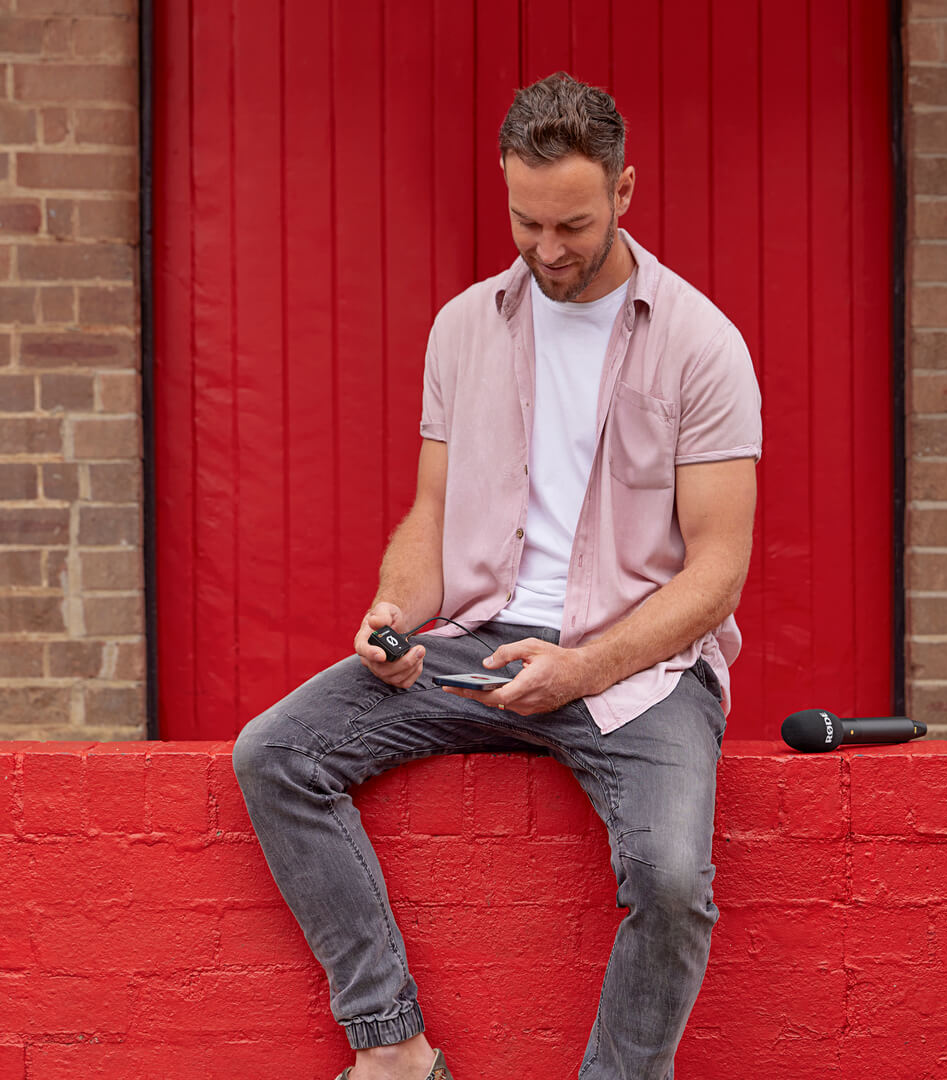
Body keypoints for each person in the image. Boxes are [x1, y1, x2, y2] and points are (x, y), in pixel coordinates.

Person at [233, 71, 761, 1080]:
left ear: (625, 192)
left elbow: (720, 571)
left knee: (670, 877)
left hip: (636, 670)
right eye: (527, 222)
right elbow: (433, 515)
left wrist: (584, 668)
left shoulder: (702, 345)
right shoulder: (464, 328)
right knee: (276, 754)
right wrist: (394, 610)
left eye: (574, 223)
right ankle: (393, 1049)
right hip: (473, 645)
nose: (549, 250)